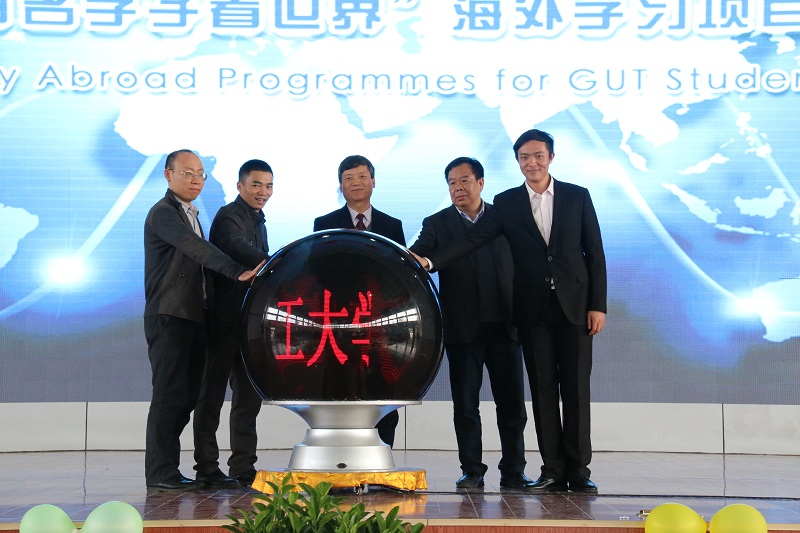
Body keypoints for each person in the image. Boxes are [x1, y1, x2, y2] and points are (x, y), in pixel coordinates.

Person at [414, 130, 607, 493]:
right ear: (517, 161)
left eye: (538, 156)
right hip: (532, 313)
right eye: (524, 157)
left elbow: (594, 253)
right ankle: (553, 470)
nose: (531, 163)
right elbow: (473, 238)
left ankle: (579, 471)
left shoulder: (577, 196)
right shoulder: (507, 203)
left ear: (551, 157)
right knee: (543, 391)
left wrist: (598, 305)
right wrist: (430, 261)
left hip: (575, 309)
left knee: (576, 391)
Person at [143, 149, 264, 491]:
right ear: (168, 175)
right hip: (170, 316)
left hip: (194, 316)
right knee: (169, 395)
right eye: (188, 173)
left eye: (200, 175)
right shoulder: (163, 213)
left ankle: (177, 471)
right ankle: (160, 473)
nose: (196, 180)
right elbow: (195, 248)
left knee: (185, 399)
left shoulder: (191, 213)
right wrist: (236, 271)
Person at [410, 157, 530, 490]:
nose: (458, 188)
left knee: (512, 406)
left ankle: (514, 470)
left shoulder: (504, 218)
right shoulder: (437, 223)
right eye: (451, 182)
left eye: (464, 180)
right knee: (466, 406)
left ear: (480, 183)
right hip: (463, 330)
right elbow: (417, 258)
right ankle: (472, 470)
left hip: (506, 326)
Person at [313, 154, 406, 448]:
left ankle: (383, 459)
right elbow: (318, 271)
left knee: (384, 394)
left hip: (381, 325)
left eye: (362, 176)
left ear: (373, 181)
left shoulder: (392, 225)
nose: (356, 183)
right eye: (349, 178)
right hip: (340, 324)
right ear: (340, 185)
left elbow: (400, 275)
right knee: (339, 391)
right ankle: (340, 459)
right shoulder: (324, 223)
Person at [192, 159, 274, 488]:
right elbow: (242, 251)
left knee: (248, 399)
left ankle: (242, 466)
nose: (263, 191)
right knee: (211, 396)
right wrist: (277, 262)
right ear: (240, 186)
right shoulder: (228, 217)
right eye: (256, 185)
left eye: (268, 186)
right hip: (222, 322)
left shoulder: (259, 220)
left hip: (248, 325)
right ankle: (206, 467)